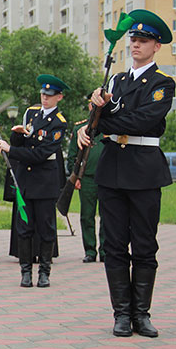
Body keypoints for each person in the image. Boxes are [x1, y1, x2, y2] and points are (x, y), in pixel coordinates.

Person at [77, 8, 175, 338]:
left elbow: (145, 122)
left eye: (143, 40)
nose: (135, 44)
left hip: (144, 170)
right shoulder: (116, 81)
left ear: (156, 46)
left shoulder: (162, 84)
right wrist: (91, 117)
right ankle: (121, 314)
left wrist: (104, 119)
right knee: (114, 244)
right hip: (112, 171)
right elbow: (95, 122)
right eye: (133, 38)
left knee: (145, 244)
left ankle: (141, 314)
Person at [0, 75, 69, 287]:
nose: (44, 98)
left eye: (49, 95)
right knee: (24, 228)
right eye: (42, 94)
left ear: (59, 97)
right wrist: (17, 136)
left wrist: (12, 150)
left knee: (46, 229)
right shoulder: (32, 115)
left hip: (45, 183)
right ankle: (26, 272)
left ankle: (44, 272)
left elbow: (40, 154)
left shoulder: (59, 123)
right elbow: (24, 141)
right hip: (26, 182)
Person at [66, 100, 106, 263]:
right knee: (87, 216)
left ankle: (105, 250)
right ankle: (90, 250)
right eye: (92, 104)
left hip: (107, 178)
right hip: (87, 178)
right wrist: (75, 177)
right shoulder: (79, 129)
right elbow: (72, 156)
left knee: (107, 216)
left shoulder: (109, 128)